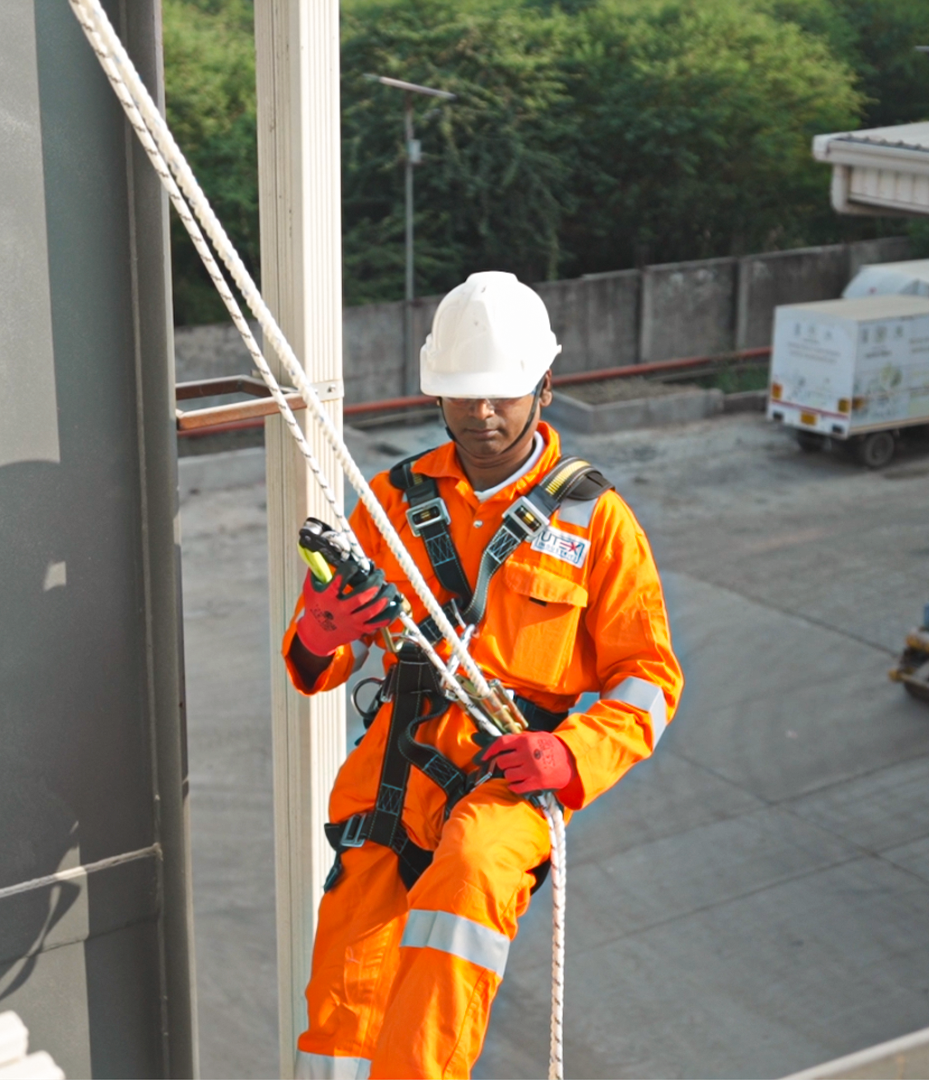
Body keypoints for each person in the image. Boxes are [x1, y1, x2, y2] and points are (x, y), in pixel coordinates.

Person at [284, 271, 683, 1079]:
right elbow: (314, 664)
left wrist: (571, 754)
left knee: (466, 884)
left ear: (544, 387)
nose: (483, 413)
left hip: (510, 774)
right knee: (344, 1006)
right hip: (394, 774)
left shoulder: (594, 521)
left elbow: (648, 675)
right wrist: (324, 630)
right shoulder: (392, 502)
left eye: (502, 394)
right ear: (439, 394)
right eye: (464, 395)